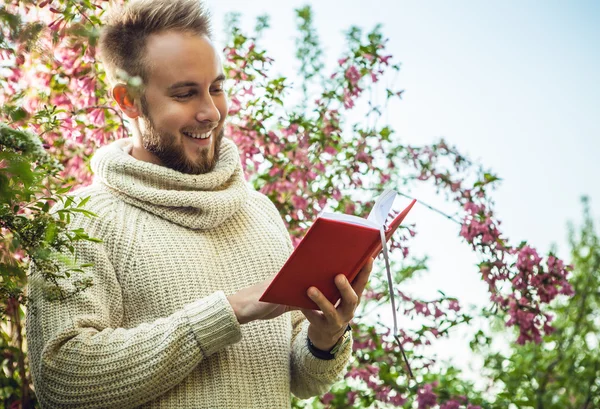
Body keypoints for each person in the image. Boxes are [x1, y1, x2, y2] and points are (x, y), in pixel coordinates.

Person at [26, 0, 373, 408]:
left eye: (217, 88)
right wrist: (230, 310)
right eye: (185, 93)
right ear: (128, 100)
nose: (210, 112)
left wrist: (324, 338)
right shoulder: (80, 222)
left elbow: (301, 379)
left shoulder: (259, 212)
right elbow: (62, 381)